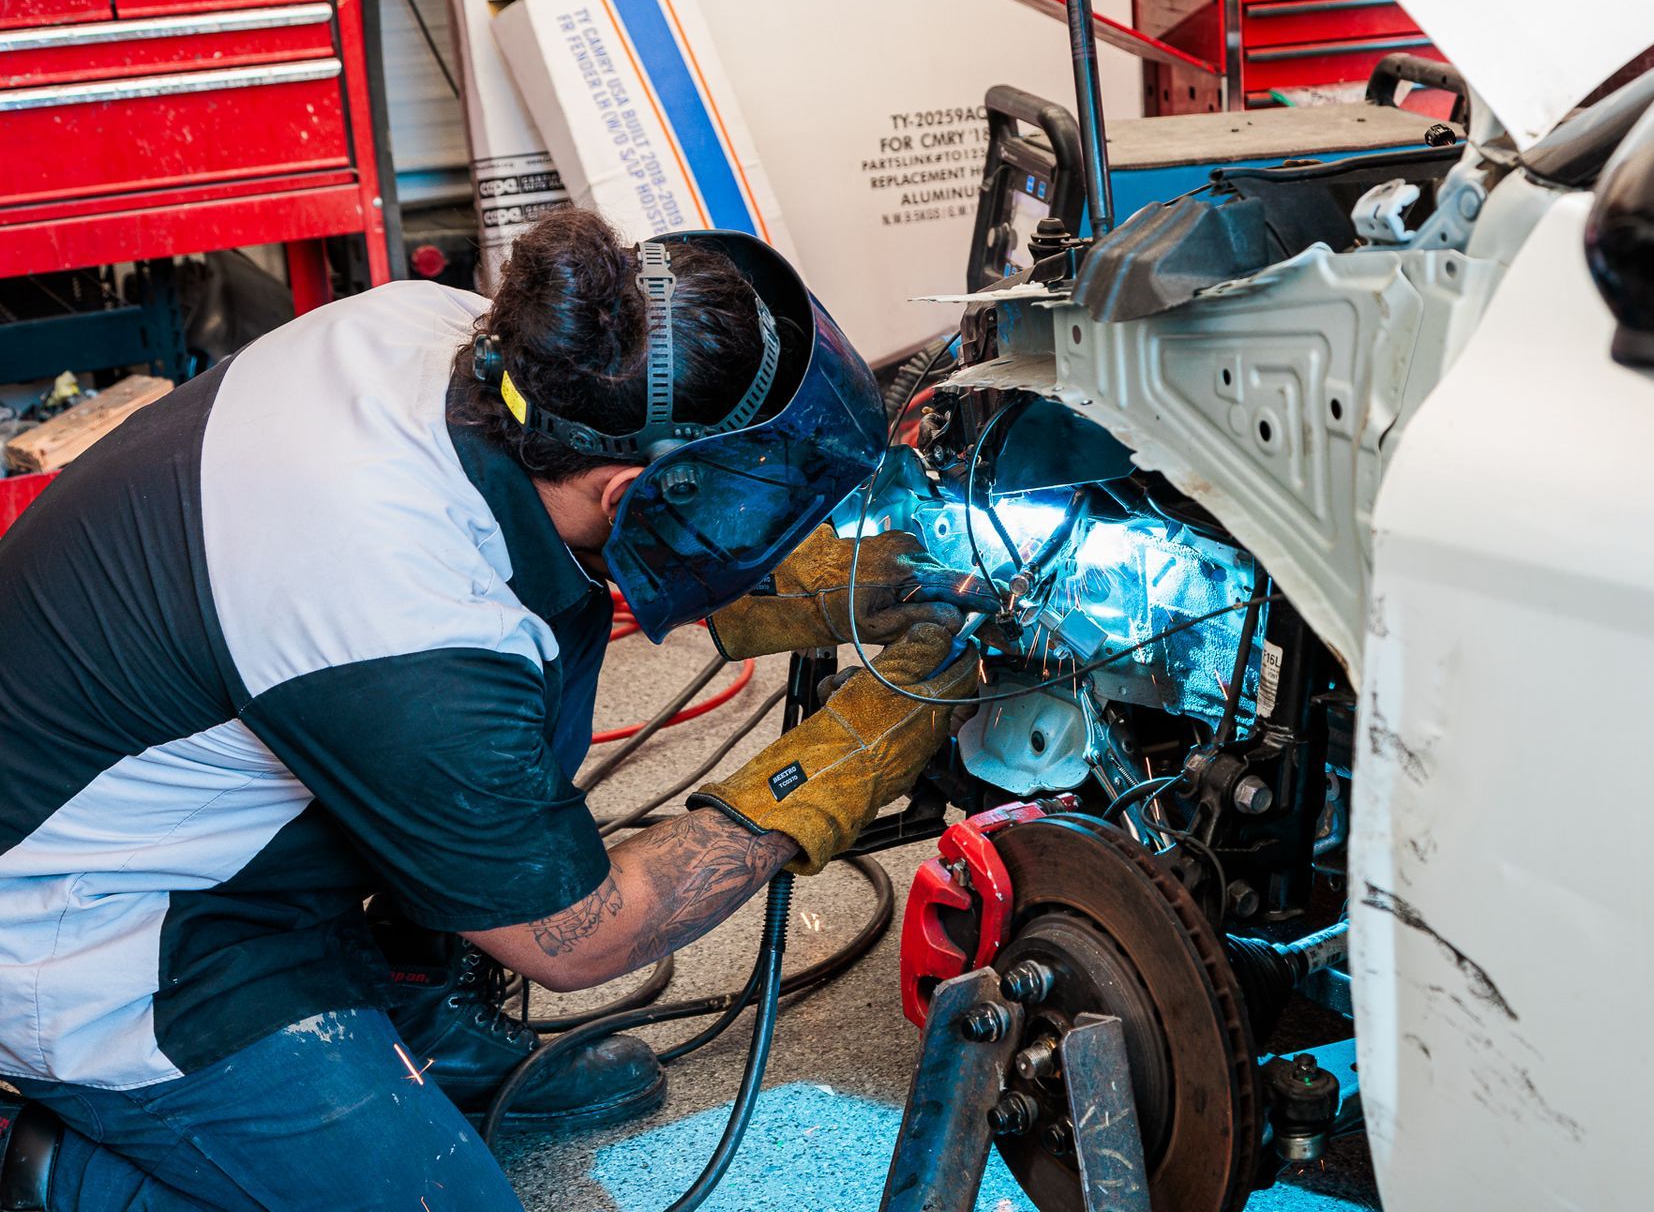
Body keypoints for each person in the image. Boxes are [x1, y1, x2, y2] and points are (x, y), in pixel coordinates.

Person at [0, 209, 977, 1210]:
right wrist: (839, 761)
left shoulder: (471, 345)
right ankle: (49, 1174)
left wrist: (858, 578)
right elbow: (579, 936)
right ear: (631, 488)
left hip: (201, 781)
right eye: (744, 497)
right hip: (101, 933)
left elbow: (580, 566)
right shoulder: (408, 617)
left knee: (554, 608)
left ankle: (409, 1001)